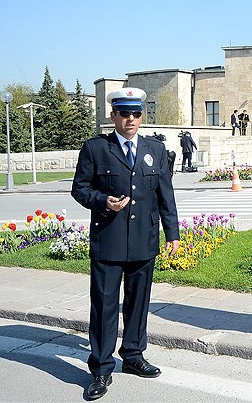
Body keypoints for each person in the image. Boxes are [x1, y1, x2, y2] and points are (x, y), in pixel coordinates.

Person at [71, 87, 180, 399]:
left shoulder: (155, 150)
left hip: (144, 241)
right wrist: (104, 200)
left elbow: (165, 195)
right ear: (113, 115)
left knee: (138, 304)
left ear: (141, 116)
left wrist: (172, 234)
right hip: (109, 241)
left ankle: (132, 356)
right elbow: (79, 189)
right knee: (104, 307)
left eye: (135, 113)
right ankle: (102, 368)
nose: (130, 119)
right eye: (124, 113)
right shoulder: (95, 149)